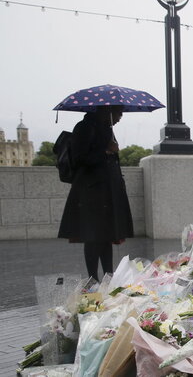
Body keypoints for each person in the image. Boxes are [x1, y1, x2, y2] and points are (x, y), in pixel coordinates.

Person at [58, 105, 133, 281]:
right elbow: (79, 158)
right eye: (118, 112)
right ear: (107, 112)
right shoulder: (84, 127)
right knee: (93, 237)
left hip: (107, 191)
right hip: (91, 192)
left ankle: (108, 276)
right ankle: (93, 278)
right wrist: (106, 151)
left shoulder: (106, 129)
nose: (120, 117)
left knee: (106, 236)